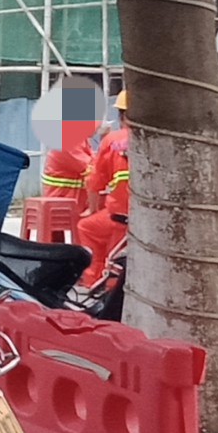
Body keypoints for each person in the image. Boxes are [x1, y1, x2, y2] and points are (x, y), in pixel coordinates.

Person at [76, 89, 131, 287]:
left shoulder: (112, 140)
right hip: (151, 219)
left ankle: (96, 281)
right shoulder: (159, 139)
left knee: (87, 227)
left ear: (122, 116)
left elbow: (94, 182)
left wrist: (93, 209)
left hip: (121, 218)